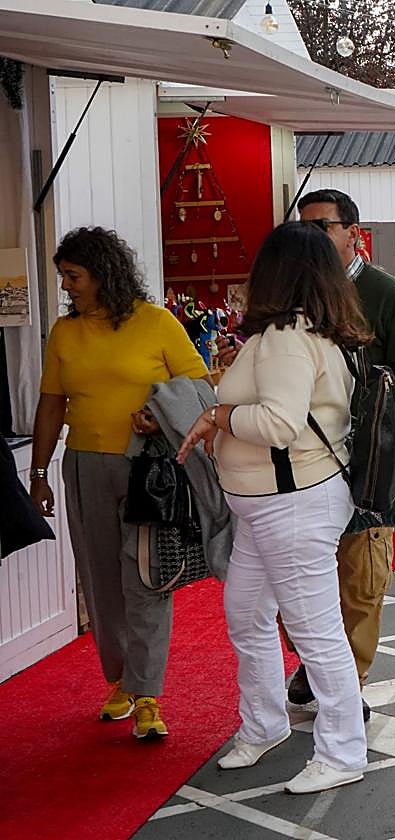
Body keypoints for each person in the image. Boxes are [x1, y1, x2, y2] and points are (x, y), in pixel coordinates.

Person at [177, 221, 371, 793]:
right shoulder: (314, 332)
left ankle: (341, 751)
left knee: (314, 632)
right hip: (274, 505)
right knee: (248, 614)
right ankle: (264, 723)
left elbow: (280, 424)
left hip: (291, 503)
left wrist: (219, 416)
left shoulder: (287, 335)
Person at [29, 227, 210, 740]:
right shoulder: (64, 333)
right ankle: (121, 682)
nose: (67, 287)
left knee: (146, 577)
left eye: (74, 276)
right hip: (84, 465)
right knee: (101, 577)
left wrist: (158, 412)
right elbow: (50, 404)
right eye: (64, 276)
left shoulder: (157, 323)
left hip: (146, 471)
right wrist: (39, 473)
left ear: (104, 273)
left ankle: (149, 691)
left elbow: (199, 386)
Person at [290, 189, 395, 715]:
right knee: (301, 578)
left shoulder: (386, 294)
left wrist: (375, 420)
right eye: (303, 228)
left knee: (361, 579)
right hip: (300, 463)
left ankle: (347, 681)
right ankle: (315, 661)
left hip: (366, 464)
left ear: (354, 232)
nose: (313, 239)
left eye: (323, 227)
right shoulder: (288, 297)